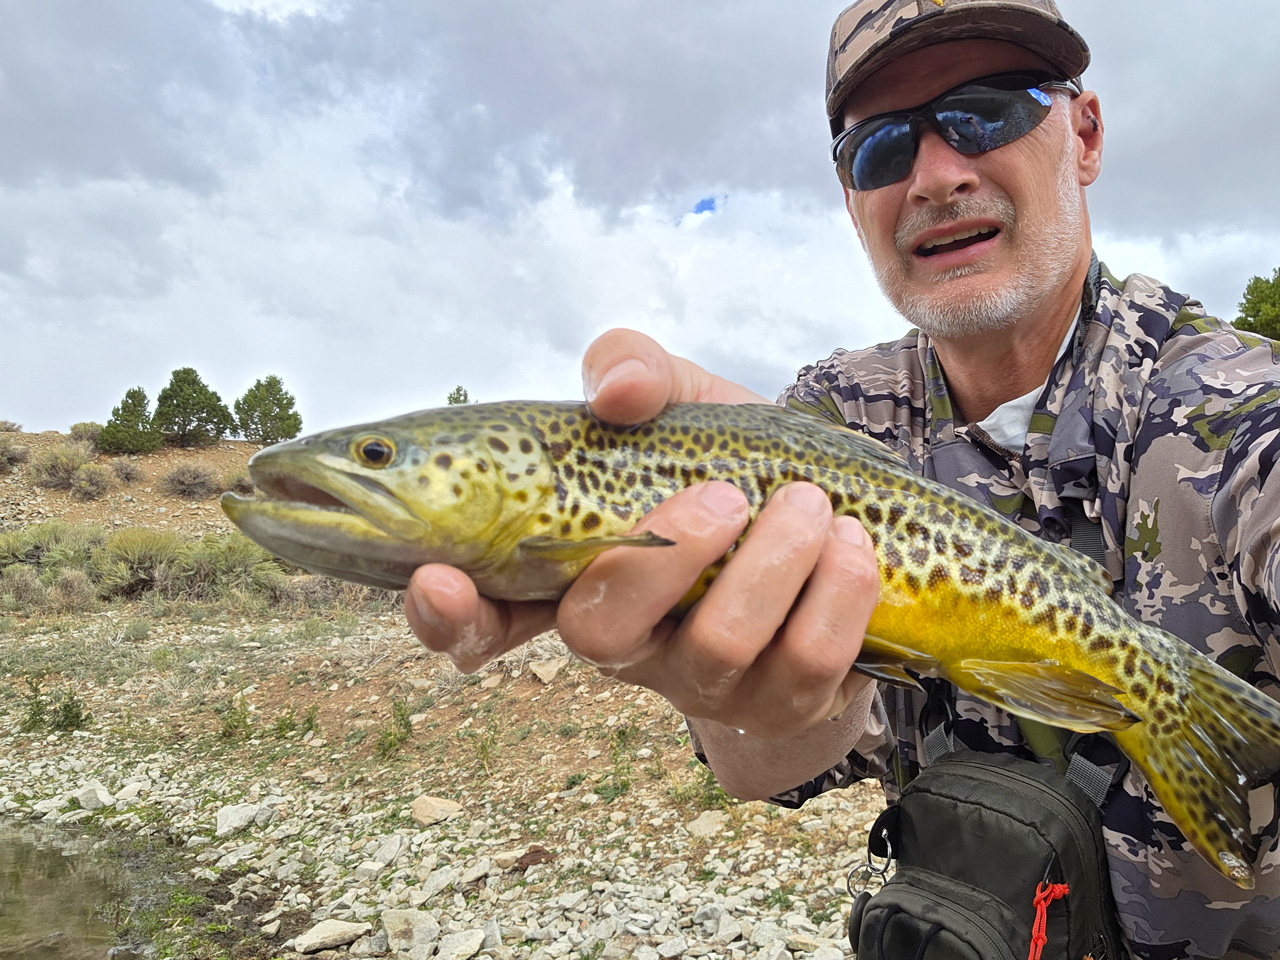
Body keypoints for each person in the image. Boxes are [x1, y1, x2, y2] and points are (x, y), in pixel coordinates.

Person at [405, 1, 1280, 956]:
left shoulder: (1235, 407)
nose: (937, 175)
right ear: (850, 197)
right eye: (881, 147)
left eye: (987, 110)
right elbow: (773, 764)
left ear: (1085, 134)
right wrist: (754, 701)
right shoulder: (825, 419)